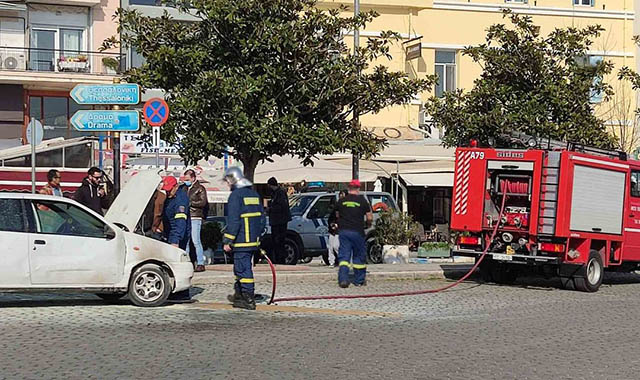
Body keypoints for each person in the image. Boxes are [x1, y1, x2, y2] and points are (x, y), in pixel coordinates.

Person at [222, 167, 266, 310]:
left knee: (243, 269)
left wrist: (228, 240)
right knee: (241, 268)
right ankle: (239, 295)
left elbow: (234, 221)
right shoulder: (253, 194)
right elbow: (262, 218)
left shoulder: (236, 196)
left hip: (241, 240)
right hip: (253, 239)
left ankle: (247, 298)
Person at [335, 179, 373, 288]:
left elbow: (337, 215)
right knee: (358, 256)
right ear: (358, 188)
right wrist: (368, 224)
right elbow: (369, 217)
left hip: (344, 231)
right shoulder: (362, 201)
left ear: (349, 188)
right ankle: (359, 280)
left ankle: (343, 279)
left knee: (344, 256)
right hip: (357, 231)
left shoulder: (341, 201)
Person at [161, 176, 192, 301]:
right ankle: (175, 290)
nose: (168, 192)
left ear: (175, 186)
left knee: (178, 264)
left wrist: (175, 241)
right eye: (166, 190)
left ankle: (182, 292)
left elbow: (180, 222)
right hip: (170, 234)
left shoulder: (180, 199)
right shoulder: (171, 197)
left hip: (178, 236)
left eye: (169, 189)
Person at [184, 169, 208, 272]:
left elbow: (203, 202)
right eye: (185, 179)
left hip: (195, 216)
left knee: (196, 240)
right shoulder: (184, 188)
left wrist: (191, 203)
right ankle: (187, 262)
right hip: (186, 216)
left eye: (188, 179)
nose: (186, 181)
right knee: (186, 241)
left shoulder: (200, 188)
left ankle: (200, 263)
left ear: (193, 178)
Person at [266, 177, 291, 265]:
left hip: (280, 221)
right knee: (276, 241)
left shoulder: (280, 193)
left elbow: (282, 207)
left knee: (279, 240)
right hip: (276, 220)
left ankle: (280, 259)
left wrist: (271, 209)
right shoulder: (276, 193)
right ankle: (277, 258)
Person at [325, 190, 347, 267]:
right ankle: (331, 262)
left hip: (340, 230)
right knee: (330, 246)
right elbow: (331, 217)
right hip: (333, 230)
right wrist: (332, 224)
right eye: (340, 196)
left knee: (336, 245)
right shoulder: (336, 207)